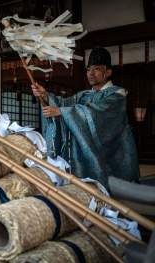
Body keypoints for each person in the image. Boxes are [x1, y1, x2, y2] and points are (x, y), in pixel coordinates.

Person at [31, 47, 139, 187]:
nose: (91, 74)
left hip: (113, 154)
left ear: (108, 72)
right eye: (88, 70)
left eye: (96, 69)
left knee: (116, 197)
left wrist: (62, 112)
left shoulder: (117, 95)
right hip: (87, 157)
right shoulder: (84, 95)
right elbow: (63, 104)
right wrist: (45, 95)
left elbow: (97, 112)